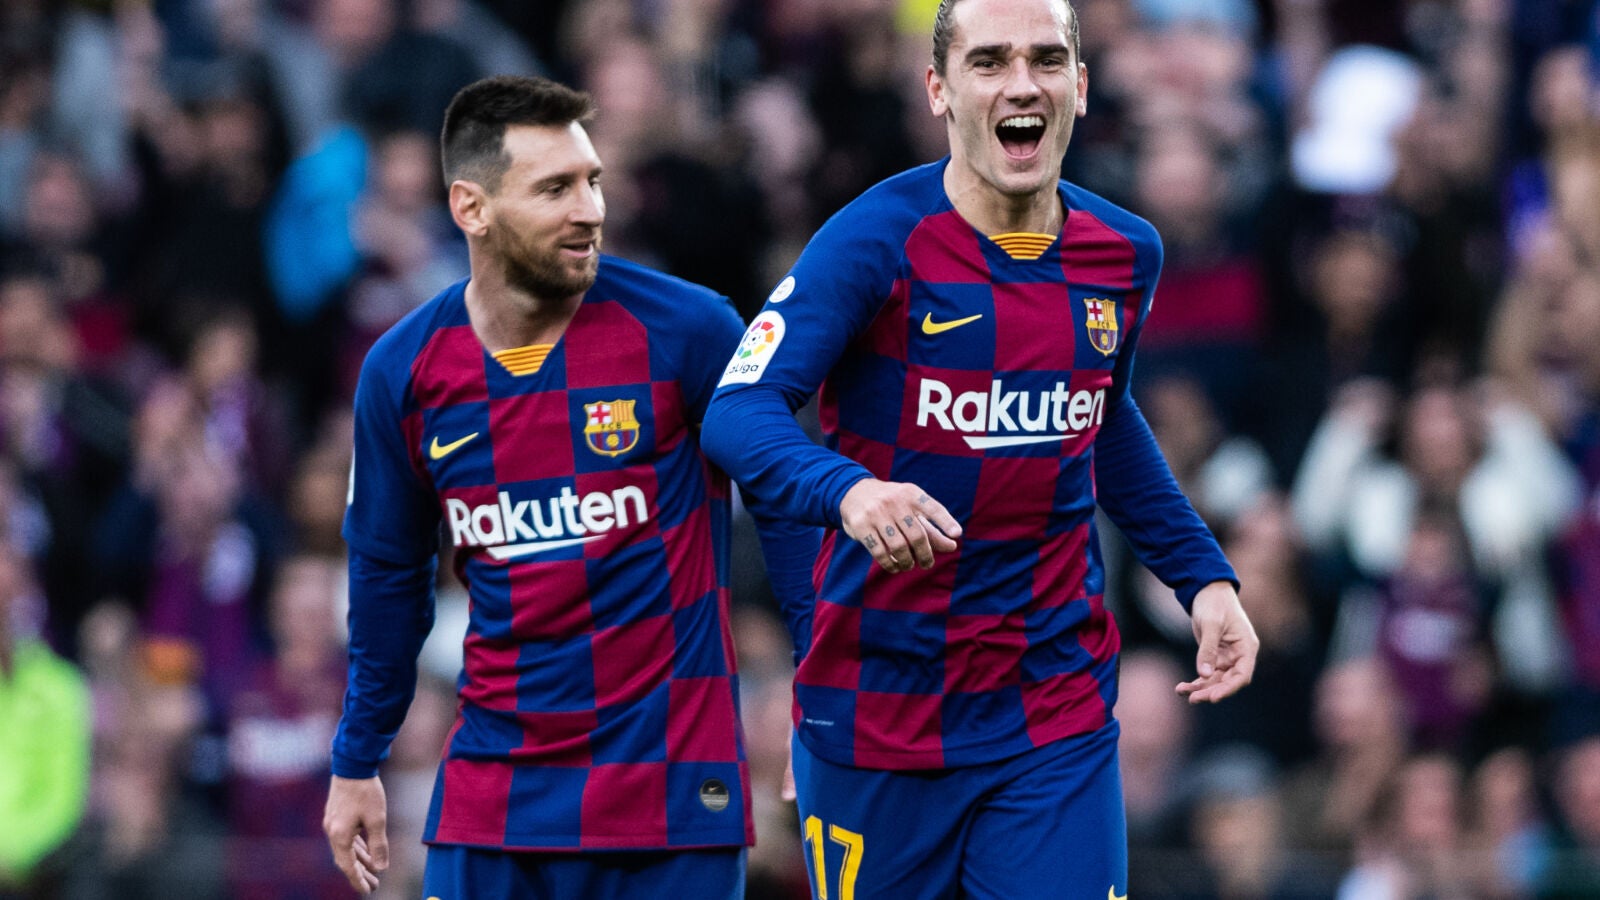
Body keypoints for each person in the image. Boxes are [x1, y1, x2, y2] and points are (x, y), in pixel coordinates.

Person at [699, 0, 1260, 896]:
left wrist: (1203, 579)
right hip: (882, 707)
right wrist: (850, 492)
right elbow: (738, 410)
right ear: (939, 89)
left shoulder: (1125, 253)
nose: (1021, 84)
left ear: (1080, 85)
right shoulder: (875, 239)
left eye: (1046, 60)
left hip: (1052, 705)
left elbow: (1102, 418)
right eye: (990, 61)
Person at [323, 75, 763, 899]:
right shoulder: (403, 371)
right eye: (556, 188)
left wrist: (817, 707)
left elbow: (788, 510)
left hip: (669, 803)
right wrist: (357, 760)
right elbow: (385, 579)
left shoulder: (689, 330)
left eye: (593, 181)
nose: (590, 209)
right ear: (472, 208)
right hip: (494, 802)